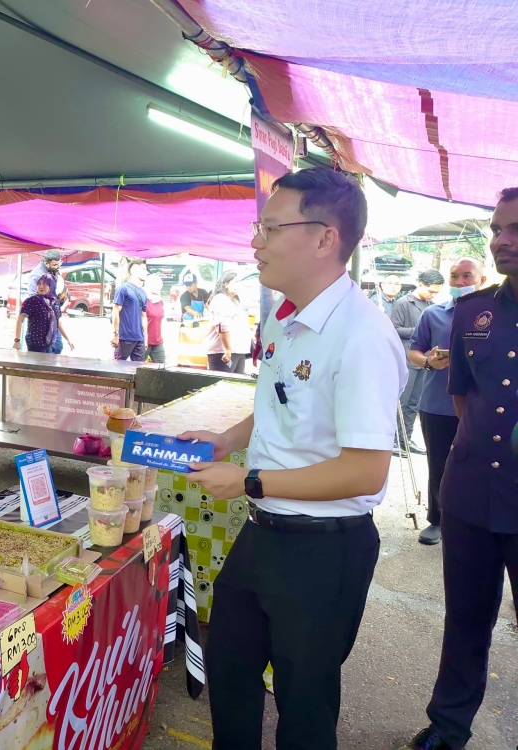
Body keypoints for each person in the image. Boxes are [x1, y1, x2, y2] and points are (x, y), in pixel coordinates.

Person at [179, 168, 406, 750]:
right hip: (264, 534)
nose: (256, 241)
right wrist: (226, 440)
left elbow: (365, 470)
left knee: (304, 702)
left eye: (271, 228)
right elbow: (281, 399)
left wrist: (249, 481)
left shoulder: (362, 337)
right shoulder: (286, 317)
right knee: (229, 669)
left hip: (325, 548)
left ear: (325, 237)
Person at [403, 189, 518, 750]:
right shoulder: (475, 311)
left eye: (516, 229)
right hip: (471, 493)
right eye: (498, 229)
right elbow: (465, 401)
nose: (503, 240)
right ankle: (448, 728)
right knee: (466, 618)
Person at [407, 258, 487, 545]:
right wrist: (428, 361)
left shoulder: (493, 317)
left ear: (482, 279)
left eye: (467, 276)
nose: (460, 282)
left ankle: (473, 520)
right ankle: (437, 520)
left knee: (479, 465)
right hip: (437, 405)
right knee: (439, 464)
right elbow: (414, 351)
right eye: (454, 276)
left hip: (480, 407)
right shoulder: (433, 314)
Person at [392, 269, 446, 456]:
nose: (433, 295)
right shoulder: (404, 303)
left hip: (425, 361)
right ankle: (393, 441)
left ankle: (405, 439)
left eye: (436, 293)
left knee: (414, 404)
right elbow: (394, 328)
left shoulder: (431, 305)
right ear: (420, 284)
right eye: (431, 291)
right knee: (402, 402)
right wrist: (418, 330)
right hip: (407, 359)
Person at [204, 271, 250, 373]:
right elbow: (222, 325)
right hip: (224, 351)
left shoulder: (233, 300)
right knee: (221, 384)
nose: (239, 285)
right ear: (226, 283)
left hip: (237, 349)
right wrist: (227, 349)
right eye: (236, 282)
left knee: (235, 385)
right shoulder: (221, 299)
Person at [14, 276, 74, 353]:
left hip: (50, 343)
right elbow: (19, 319)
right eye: (39, 284)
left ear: (51, 286)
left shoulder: (54, 302)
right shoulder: (33, 301)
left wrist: (68, 339)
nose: (41, 286)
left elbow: (58, 322)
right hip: (35, 343)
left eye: (45, 284)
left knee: (49, 363)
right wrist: (17, 340)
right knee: (39, 364)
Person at [26, 249, 67, 353]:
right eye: (55, 265)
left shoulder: (54, 270)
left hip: (52, 316)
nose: (58, 267)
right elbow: (32, 299)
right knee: (41, 353)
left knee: (57, 347)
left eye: (59, 264)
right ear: (46, 263)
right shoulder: (36, 276)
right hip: (39, 320)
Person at [112, 259, 148, 361]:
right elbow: (115, 312)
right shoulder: (123, 289)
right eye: (143, 269)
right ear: (134, 271)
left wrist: (145, 338)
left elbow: (143, 316)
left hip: (139, 339)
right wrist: (116, 334)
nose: (146, 272)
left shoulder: (143, 293)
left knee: (139, 371)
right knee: (117, 369)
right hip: (124, 338)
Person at [144, 273, 166, 363]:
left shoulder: (160, 301)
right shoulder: (143, 300)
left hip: (157, 341)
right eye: (155, 284)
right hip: (143, 342)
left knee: (162, 369)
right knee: (136, 369)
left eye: (159, 284)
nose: (158, 287)